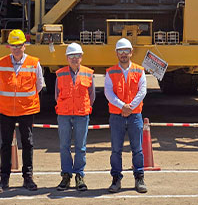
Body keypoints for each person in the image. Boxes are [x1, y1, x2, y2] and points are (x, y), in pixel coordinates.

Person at [0, 29, 45, 192]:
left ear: (25, 45)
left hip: (26, 110)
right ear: (9, 46)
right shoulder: (1, 63)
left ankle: (28, 178)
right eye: (13, 45)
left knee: (28, 143)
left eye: (19, 45)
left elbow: (39, 85)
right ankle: (4, 180)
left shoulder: (34, 63)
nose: (16, 48)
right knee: (5, 145)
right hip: (6, 110)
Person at [104, 38, 148, 194]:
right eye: (120, 51)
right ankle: (116, 179)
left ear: (131, 52)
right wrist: (123, 106)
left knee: (137, 149)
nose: (123, 54)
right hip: (117, 116)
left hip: (135, 115)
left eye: (126, 51)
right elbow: (108, 93)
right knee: (116, 149)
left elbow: (142, 91)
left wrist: (130, 107)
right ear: (116, 53)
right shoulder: (111, 72)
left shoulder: (139, 70)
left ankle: (139, 178)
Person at [54, 43, 95, 192]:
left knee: (81, 147)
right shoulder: (60, 74)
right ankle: (66, 175)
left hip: (81, 115)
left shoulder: (88, 73)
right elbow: (56, 95)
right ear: (67, 58)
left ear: (81, 57)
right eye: (71, 56)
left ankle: (79, 175)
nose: (74, 59)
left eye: (77, 56)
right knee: (64, 146)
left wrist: (84, 108)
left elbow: (92, 95)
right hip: (64, 115)